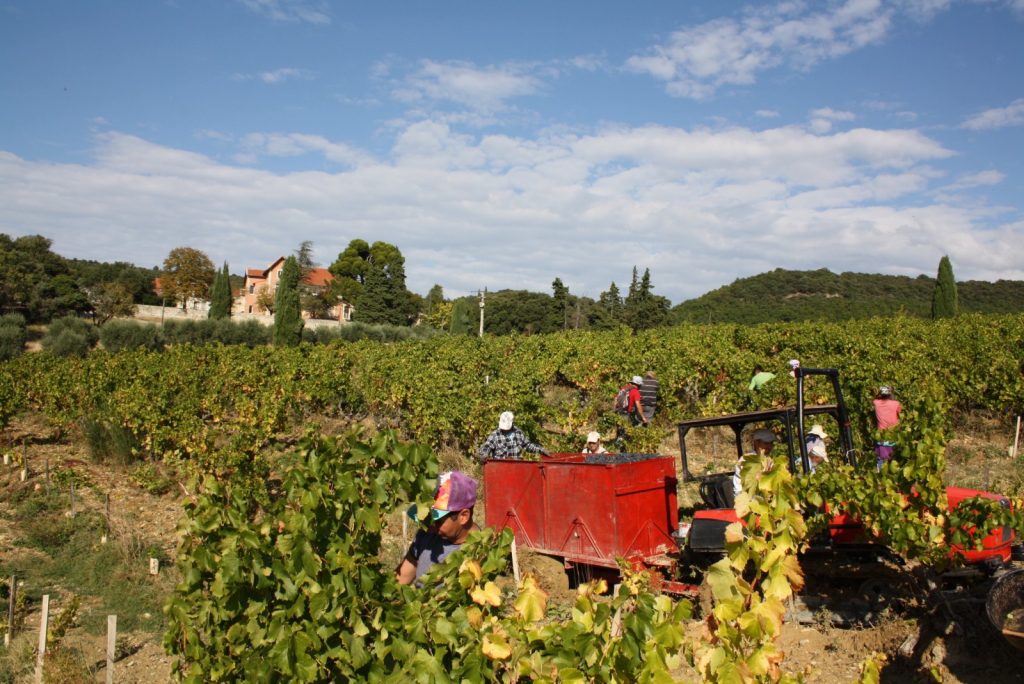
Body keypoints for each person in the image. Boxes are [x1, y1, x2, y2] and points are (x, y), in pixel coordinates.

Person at [396, 471, 479, 586]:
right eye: (426, 519)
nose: (429, 527)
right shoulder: (426, 535)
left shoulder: (480, 554)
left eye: (436, 521)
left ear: (463, 516)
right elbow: (401, 579)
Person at [476, 411, 549, 462]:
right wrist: (483, 454)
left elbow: (527, 445)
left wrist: (541, 449)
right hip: (500, 469)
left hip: (516, 468)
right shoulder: (495, 435)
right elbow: (487, 446)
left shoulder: (518, 433)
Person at [733, 428, 777, 496]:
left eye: (771, 443)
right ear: (756, 442)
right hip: (748, 499)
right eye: (766, 443)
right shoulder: (746, 460)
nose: (769, 446)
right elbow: (753, 485)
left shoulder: (768, 460)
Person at [873, 386, 902, 470]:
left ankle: (879, 474)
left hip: (881, 436)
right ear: (890, 394)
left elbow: (876, 397)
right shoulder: (896, 403)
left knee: (880, 459)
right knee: (894, 460)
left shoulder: (876, 403)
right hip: (894, 435)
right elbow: (900, 413)